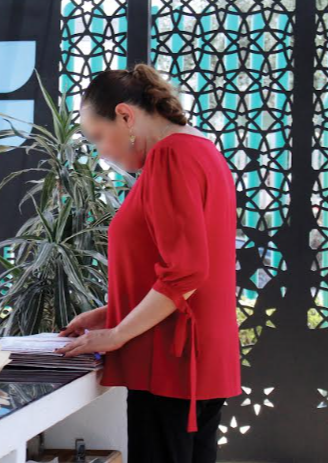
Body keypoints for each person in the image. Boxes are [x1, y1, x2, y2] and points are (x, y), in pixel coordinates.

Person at [57, 64, 241, 463]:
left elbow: (187, 271)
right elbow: (191, 267)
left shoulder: (170, 157)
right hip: (196, 358)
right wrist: (111, 312)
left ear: (125, 116)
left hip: (171, 364)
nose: (102, 152)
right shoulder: (201, 151)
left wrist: (118, 333)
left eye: (99, 137)